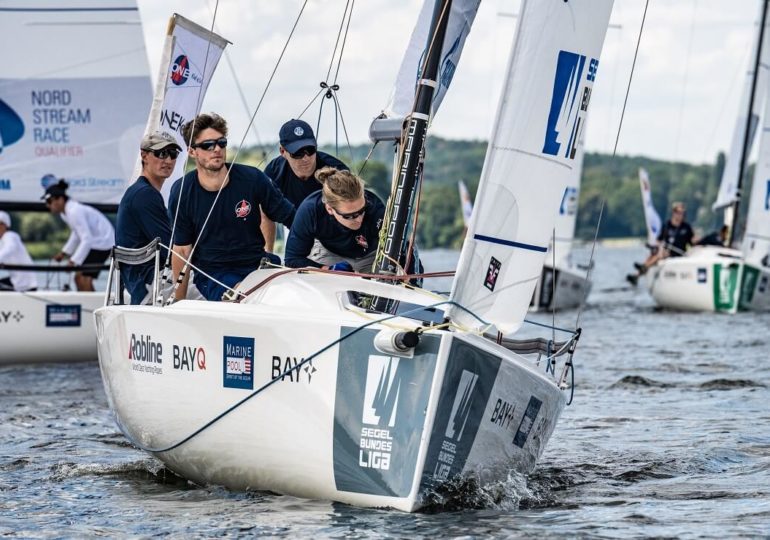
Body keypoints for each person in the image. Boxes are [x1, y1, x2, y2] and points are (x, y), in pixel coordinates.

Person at [169, 113, 295, 301]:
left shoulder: (253, 179)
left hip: (258, 265)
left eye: (222, 143)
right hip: (214, 274)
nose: (217, 149)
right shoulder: (182, 192)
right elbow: (182, 251)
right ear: (192, 151)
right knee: (243, 295)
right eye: (208, 145)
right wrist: (178, 304)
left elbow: (293, 219)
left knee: (296, 294)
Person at [261, 119, 348, 252]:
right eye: (297, 153)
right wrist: (267, 254)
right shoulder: (273, 172)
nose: (305, 158)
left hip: (331, 229)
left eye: (310, 150)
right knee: (263, 205)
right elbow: (264, 212)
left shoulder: (336, 171)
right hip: (294, 224)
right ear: (283, 152)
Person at [115, 130, 181, 304]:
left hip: (142, 282)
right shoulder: (145, 195)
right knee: (218, 291)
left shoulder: (139, 191)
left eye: (173, 154)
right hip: (150, 285)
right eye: (161, 153)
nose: (168, 160)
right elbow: (172, 250)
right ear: (144, 155)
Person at [284, 166, 387, 272]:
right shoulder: (311, 210)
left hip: (369, 256)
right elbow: (292, 259)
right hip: (331, 253)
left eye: (362, 210)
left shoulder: (376, 208)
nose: (359, 219)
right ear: (330, 209)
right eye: (349, 216)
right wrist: (329, 269)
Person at [43, 179, 114, 291]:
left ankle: (92, 307)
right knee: (80, 278)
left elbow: (87, 239)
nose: (48, 205)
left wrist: (73, 261)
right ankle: (90, 306)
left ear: (60, 199)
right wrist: (64, 253)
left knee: (82, 278)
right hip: (99, 242)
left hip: (103, 242)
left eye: (49, 201)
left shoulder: (74, 211)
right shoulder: (66, 213)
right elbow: (76, 234)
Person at [627, 201, 695, 286]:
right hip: (665, 251)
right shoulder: (667, 225)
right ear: (674, 213)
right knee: (655, 253)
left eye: (683, 213)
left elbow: (693, 242)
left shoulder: (686, 227)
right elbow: (659, 240)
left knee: (661, 254)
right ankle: (637, 275)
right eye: (679, 212)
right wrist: (656, 247)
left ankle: (643, 268)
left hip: (678, 253)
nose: (681, 215)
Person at [0, 211, 38, 292]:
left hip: (23, 284)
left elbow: (9, 249)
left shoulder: (10, 236)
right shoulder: (4, 240)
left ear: (5, 225)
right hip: (19, 280)